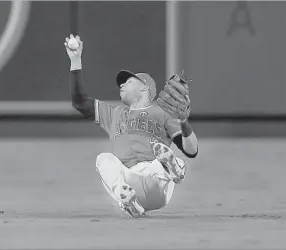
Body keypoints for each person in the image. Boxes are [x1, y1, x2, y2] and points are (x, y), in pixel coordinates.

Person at [64, 34, 199, 218]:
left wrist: (184, 121)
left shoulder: (163, 113)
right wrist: (75, 60)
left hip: (156, 179)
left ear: (144, 87)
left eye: (127, 82)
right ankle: (128, 200)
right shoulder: (113, 113)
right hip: (129, 182)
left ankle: (172, 168)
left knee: (164, 162)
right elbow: (80, 102)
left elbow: (191, 150)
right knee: (103, 159)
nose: (121, 85)